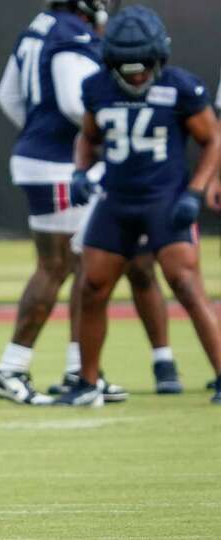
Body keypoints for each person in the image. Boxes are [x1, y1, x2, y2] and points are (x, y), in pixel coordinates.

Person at [0, 0, 176, 405]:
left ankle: (81, 371)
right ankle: (12, 368)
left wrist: (37, 131)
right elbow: (78, 104)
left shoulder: (40, 26)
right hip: (58, 164)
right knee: (56, 266)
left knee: (79, 265)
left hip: (44, 157)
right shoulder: (70, 35)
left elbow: (8, 95)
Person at [61, 5, 221, 406]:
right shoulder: (97, 88)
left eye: (143, 67)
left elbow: (213, 140)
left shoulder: (182, 88)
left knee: (186, 286)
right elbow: (88, 137)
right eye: (127, 68)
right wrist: (81, 172)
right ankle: (87, 382)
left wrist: (195, 193)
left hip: (165, 201)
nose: (136, 76)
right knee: (92, 287)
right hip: (117, 200)